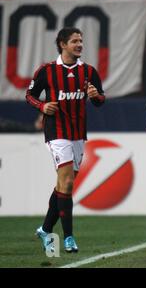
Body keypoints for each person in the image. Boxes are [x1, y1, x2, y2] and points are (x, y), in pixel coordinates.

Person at [26, 27, 105, 253]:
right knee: (67, 183)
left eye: (81, 40)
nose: (79, 44)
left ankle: (44, 229)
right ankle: (68, 238)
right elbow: (29, 95)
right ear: (62, 44)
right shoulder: (47, 70)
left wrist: (95, 96)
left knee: (64, 185)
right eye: (74, 41)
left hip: (78, 133)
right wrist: (42, 106)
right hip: (56, 132)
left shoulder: (89, 71)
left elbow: (101, 99)